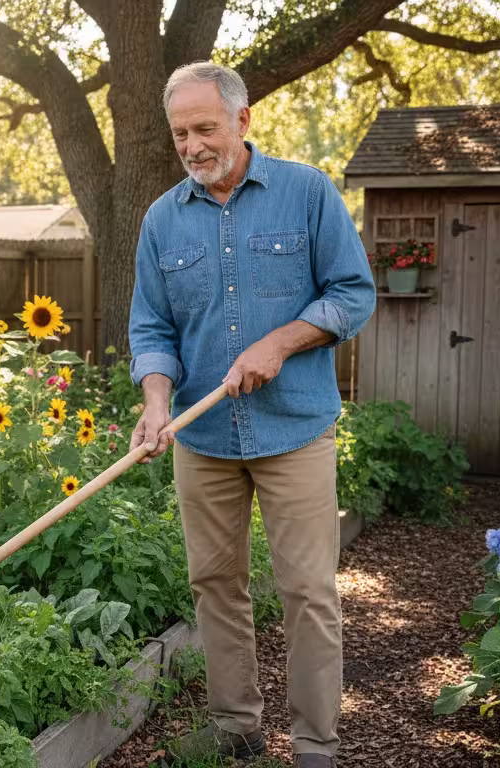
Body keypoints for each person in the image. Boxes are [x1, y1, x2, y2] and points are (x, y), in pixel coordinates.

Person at [127, 61, 375, 767]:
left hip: (294, 427)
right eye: (181, 133)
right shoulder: (160, 219)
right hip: (202, 437)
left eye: (205, 128)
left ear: (242, 119)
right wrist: (155, 402)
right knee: (215, 587)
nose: (193, 145)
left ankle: (315, 745)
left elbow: (353, 294)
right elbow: (151, 329)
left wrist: (284, 339)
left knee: (307, 592)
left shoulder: (306, 193)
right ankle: (236, 727)